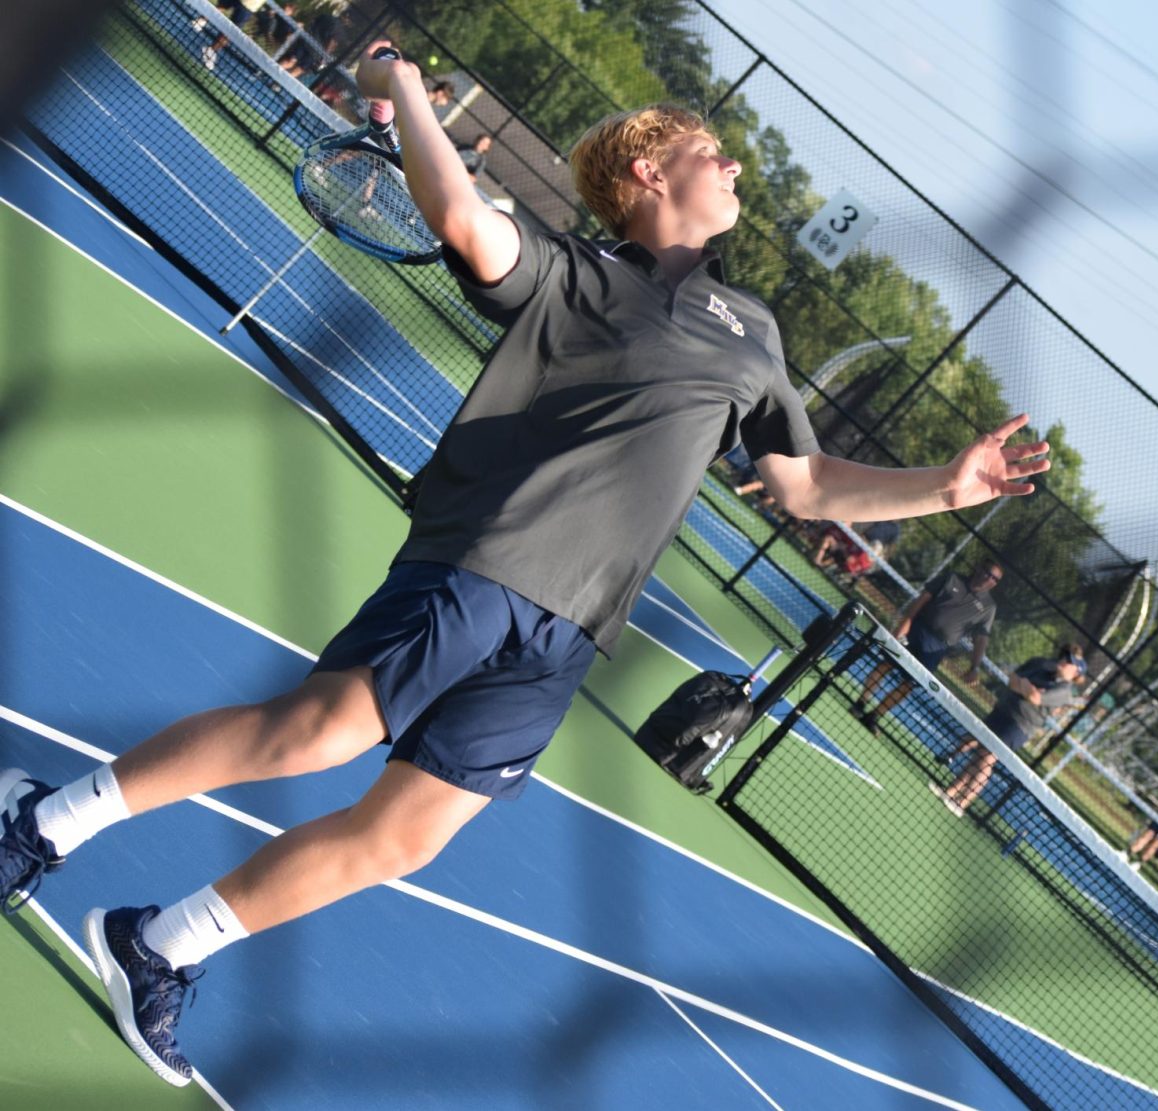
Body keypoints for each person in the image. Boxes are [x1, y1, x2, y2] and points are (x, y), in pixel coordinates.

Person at [0, 37, 1052, 1087]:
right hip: (489, 558)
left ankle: (160, 945)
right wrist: (405, 87)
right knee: (315, 733)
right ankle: (42, 819)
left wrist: (944, 486)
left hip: (575, 627)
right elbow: (462, 217)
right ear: (649, 172)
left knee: (402, 836)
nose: (734, 168)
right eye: (711, 151)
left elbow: (806, 485)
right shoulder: (574, 275)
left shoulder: (755, 331)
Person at [929, 644, 1087, 817]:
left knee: (988, 758)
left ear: (1076, 672)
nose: (1063, 661)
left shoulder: (1063, 691)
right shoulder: (1041, 667)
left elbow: (1035, 698)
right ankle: (950, 792)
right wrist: (1026, 687)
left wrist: (1025, 685)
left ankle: (961, 803)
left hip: (1019, 726)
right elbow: (1014, 680)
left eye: (1069, 662)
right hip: (1003, 710)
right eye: (1065, 657)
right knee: (979, 752)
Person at [851, 560, 1003, 734]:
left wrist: (974, 667)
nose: (989, 578)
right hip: (917, 628)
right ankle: (860, 702)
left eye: (994, 578)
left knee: (909, 684)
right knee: (887, 664)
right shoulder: (952, 578)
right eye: (988, 572)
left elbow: (981, 638)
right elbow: (923, 598)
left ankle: (874, 716)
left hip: (936, 648)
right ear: (979, 568)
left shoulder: (989, 608)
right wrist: (905, 623)